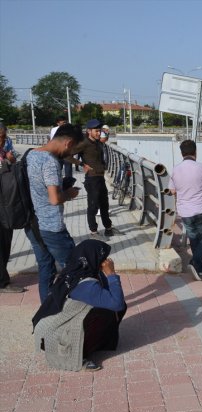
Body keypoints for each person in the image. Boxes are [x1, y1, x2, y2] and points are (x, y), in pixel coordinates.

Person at [32, 239, 126, 371]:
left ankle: (94, 343)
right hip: (53, 337)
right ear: (93, 258)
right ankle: (77, 353)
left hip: (51, 328)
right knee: (107, 312)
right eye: (103, 257)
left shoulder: (78, 270)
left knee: (105, 307)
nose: (107, 261)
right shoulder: (86, 284)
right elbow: (117, 303)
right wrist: (111, 274)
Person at [25, 123, 84, 302]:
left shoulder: (31, 154)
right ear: (68, 143)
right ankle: (77, 310)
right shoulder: (50, 161)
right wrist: (69, 193)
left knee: (45, 268)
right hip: (51, 226)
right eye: (73, 149)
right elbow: (54, 199)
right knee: (75, 268)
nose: (72, 154)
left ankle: (47, 312)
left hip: (32, 224)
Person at [168, 140, 202, 281]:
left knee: (195, 240)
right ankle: (193, 262)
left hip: (185, 212)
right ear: (195, 151)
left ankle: (201, 270)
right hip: (201, 209)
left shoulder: (175, 169)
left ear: (181, 153)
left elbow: (172, 191)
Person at [68, 119, 114, 237]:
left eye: (100, 131)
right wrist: (82, 164)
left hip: (100, 178)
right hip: (91, 179)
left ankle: (108, 227)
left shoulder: (98, 142)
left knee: (104, 204)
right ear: (89, 131)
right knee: (93, 206)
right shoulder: (84, 143)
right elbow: (66, 156)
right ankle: (94, 231)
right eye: (97, 131)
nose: (99, 133)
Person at [0, 124, 24, 293]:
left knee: (5, 243)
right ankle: (2, 282)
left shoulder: (3, 153)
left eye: (4, 136)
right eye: (1, 137)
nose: (3, 140)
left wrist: (11, 161)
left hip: (5, 207)